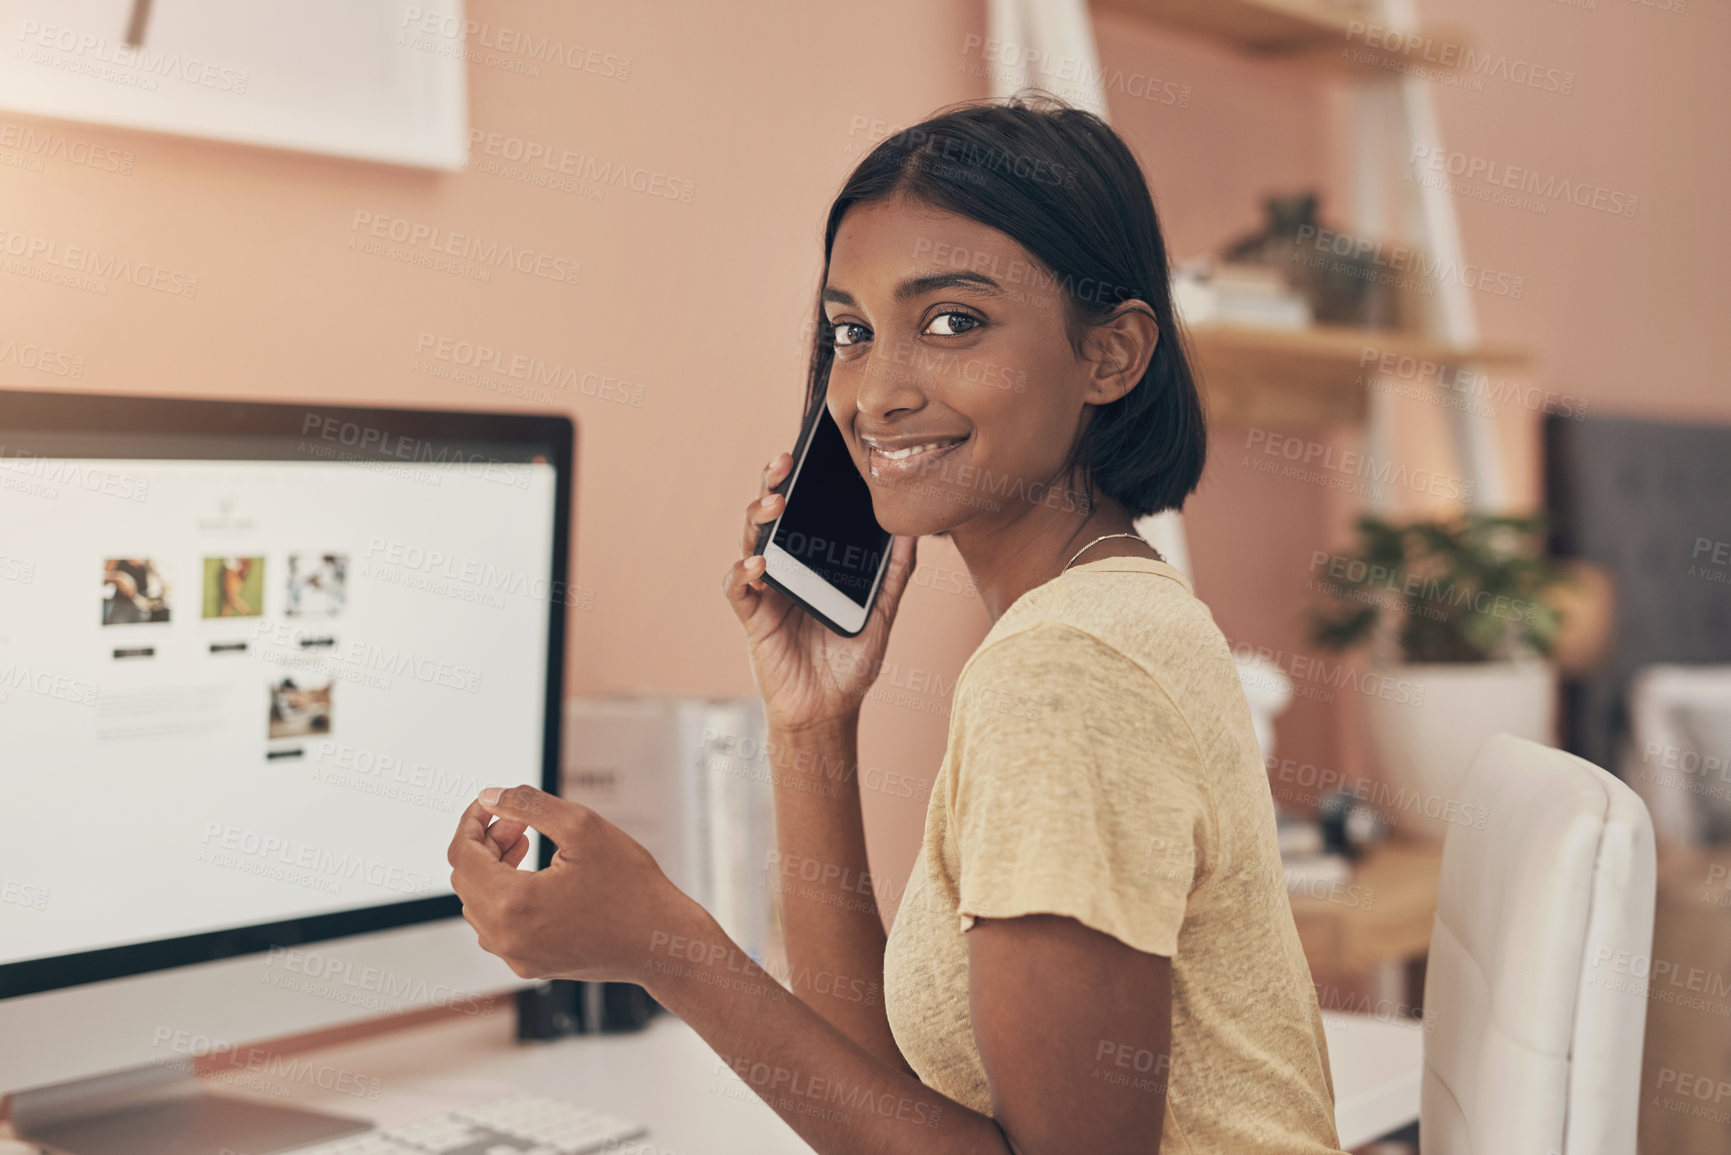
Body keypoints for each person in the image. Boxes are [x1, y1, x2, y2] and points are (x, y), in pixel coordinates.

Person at [449, 97, 1343, 1154]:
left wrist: (669, 945)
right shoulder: (1113, 607)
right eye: (851, 333)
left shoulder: (1066, 670)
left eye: (953, 321)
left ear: (1111, 356)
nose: (874, 393)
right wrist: (811, 722)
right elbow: (882, 1089)